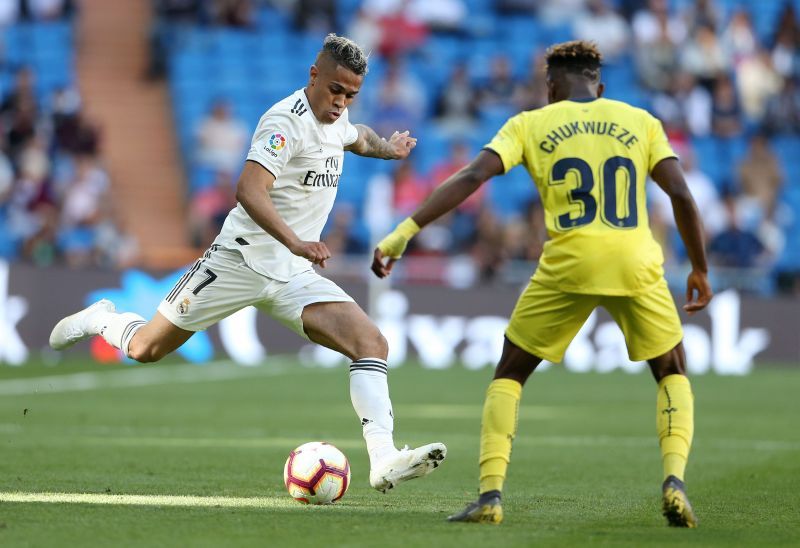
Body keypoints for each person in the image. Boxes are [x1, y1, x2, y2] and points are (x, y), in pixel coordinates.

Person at [49, 34, 445, 493]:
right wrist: (296, 241)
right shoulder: (283, 122)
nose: (341, 102)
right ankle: (101, 319)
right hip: (238, 261)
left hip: (292, 274)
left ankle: (383, 460)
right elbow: (249, 190)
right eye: (336, 90)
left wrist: (388, 148)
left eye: (351, 95)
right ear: (314, 75)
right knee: (146, 349)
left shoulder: (339, 120)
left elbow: (359, 138)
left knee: (370, 341)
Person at [372, 41, 712, 527]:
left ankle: (490, 496)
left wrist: (403, 233)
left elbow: (472, 177)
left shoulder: (530, 123)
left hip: (568, 264)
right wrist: (699, 267)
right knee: (671, 368)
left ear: (550, 87)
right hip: (635, 261)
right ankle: (675, 481)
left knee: (510, 373)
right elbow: (680, 192)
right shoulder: (640, 121)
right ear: (601, 85)